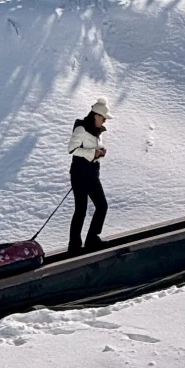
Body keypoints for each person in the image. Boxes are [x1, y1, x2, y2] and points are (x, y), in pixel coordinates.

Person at [68, 97, 111, 254]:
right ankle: (74, 246)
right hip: (79, 174)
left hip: (92, 173)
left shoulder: (97, 131)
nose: (105, 120)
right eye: (103, 117)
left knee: (102, 206)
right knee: (81, 209)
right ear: (96, 116)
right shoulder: (81, 129)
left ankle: (92, 239)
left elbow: (91, 150)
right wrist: (93, 153)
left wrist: (99, 153)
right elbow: (72, 149)